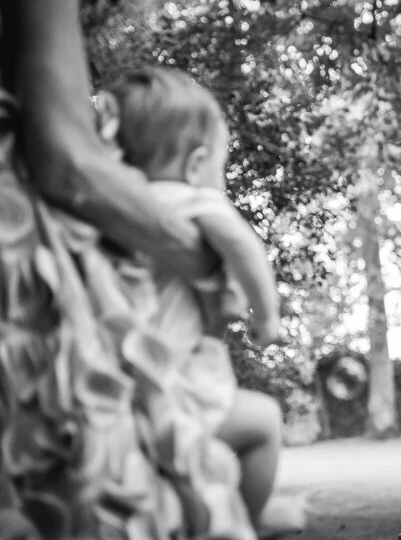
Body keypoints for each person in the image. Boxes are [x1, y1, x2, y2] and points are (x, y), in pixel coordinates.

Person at [92, 66, 307, 535]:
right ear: (195, 164)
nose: (221, 183)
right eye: (220, 167)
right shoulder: (188, 197)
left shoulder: (115, 208)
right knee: (265, 422)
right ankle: (249, 518)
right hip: (173, 389)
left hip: (117, 387)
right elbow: (244, 247)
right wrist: (266, 318)